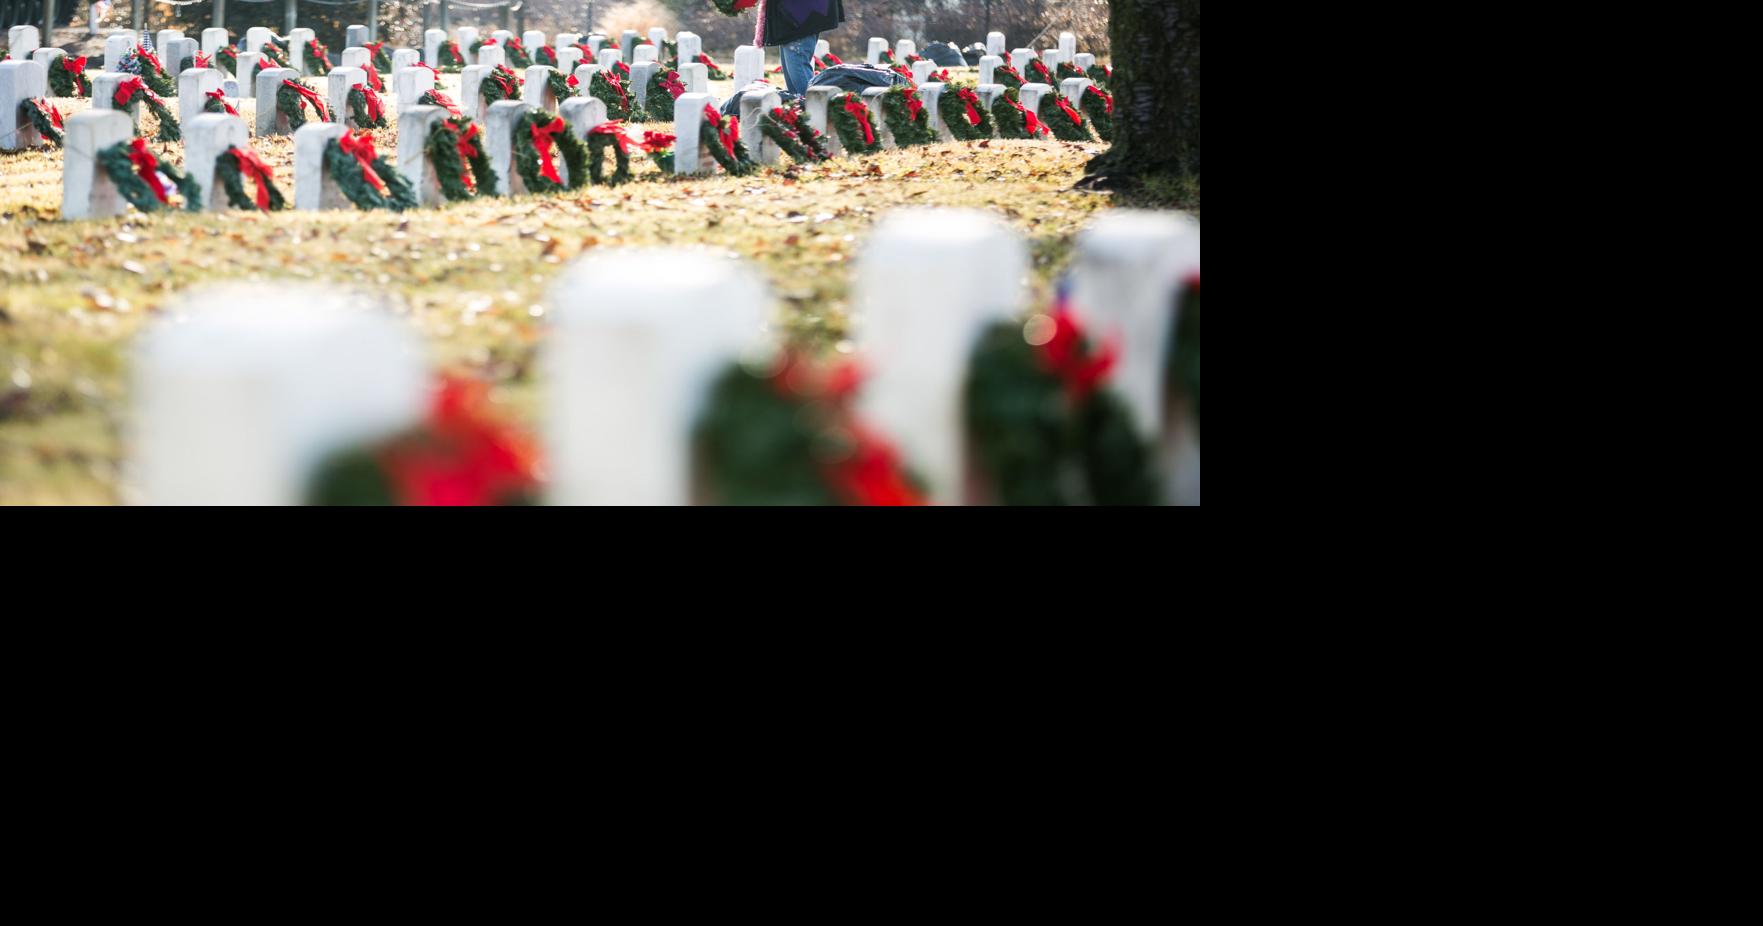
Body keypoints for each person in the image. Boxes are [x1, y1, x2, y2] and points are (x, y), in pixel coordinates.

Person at [755, 0, 845, 97]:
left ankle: (814, 108)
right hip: (792, 13)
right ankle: (803, 108)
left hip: (799, 12)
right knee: (794, 83)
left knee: (797, 66)